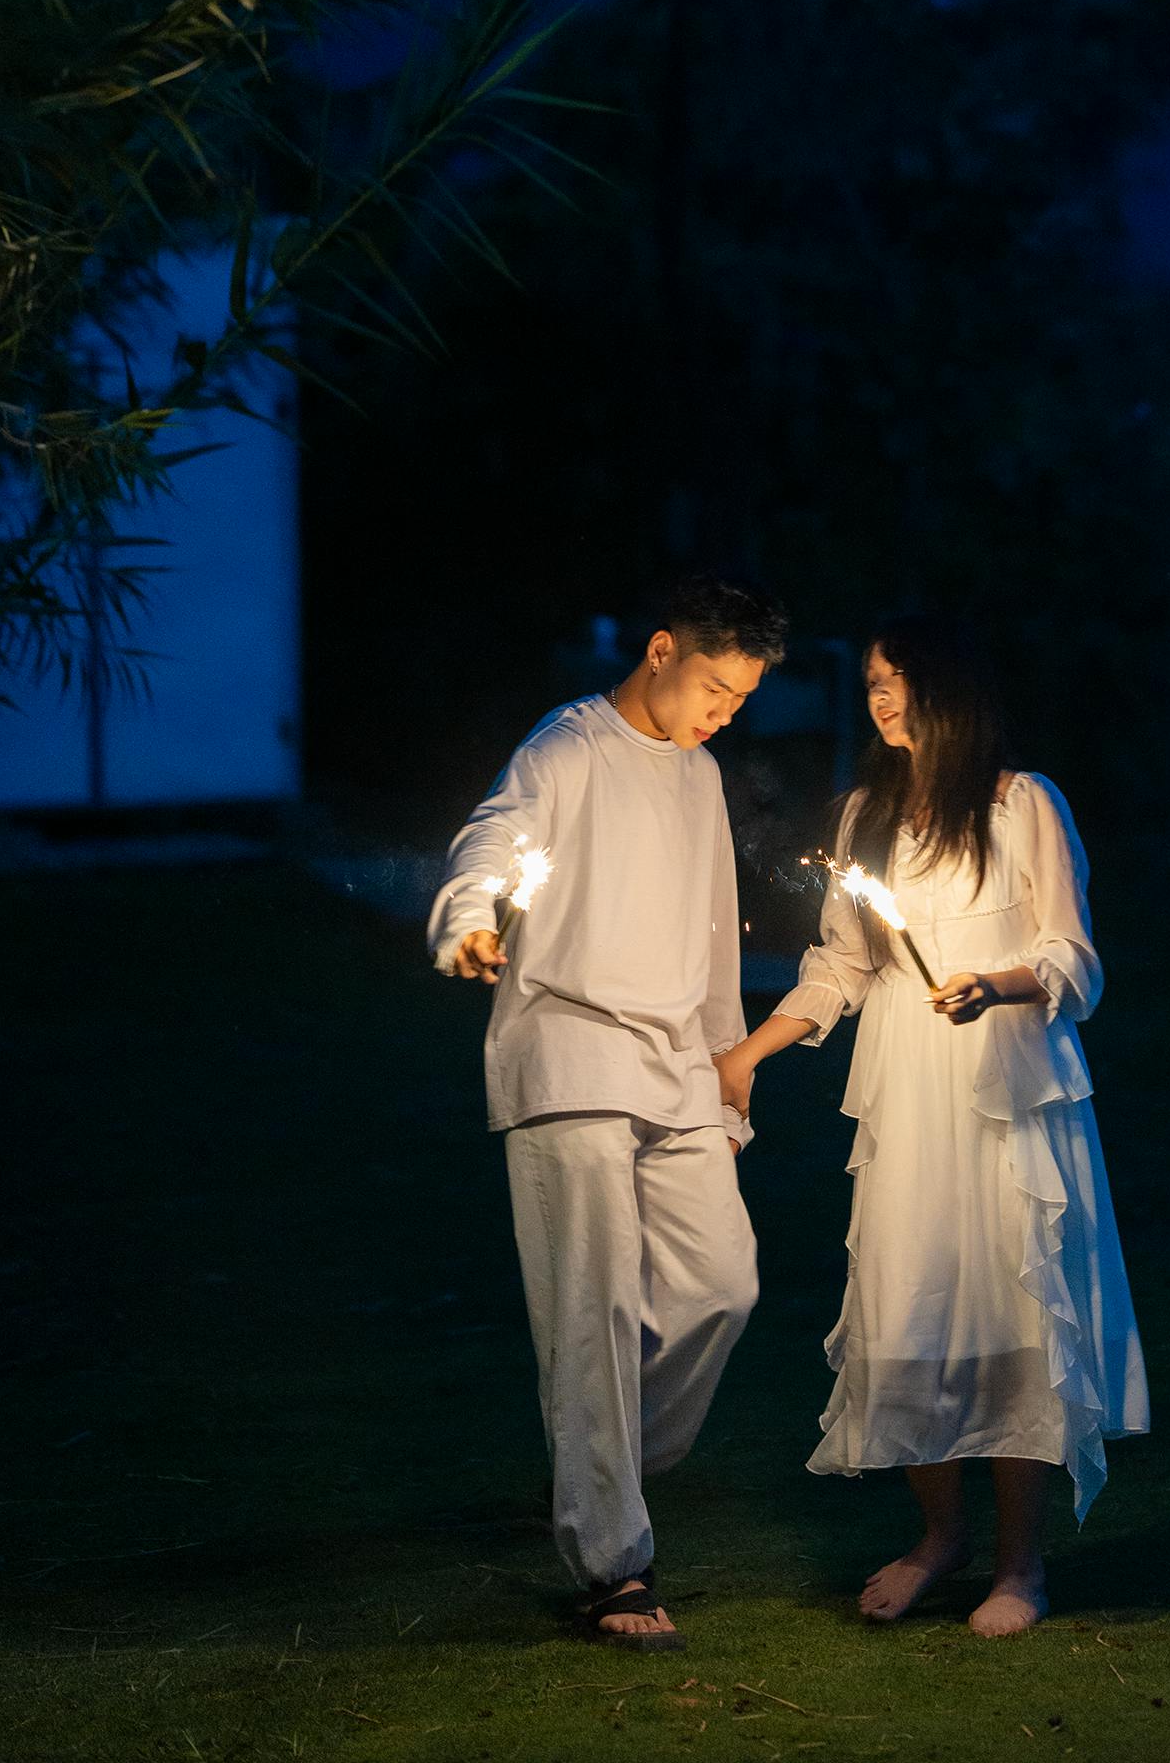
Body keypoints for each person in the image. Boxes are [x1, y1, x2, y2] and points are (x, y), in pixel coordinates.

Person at [715, 615, 1148, 1637]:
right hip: (908, 1090)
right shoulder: (865, 812)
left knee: (1010, 1314)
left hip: (1006, 1088)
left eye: (897, 680)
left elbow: (1072, 959)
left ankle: (1019, 1567)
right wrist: (746, 1054)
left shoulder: (1021, 804)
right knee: (907, 1309)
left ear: (949, 692)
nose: (879, 697)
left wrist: (998, 985)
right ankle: (934, 1536)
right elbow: (841, 964)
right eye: (869, 681)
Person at [427, 570, 787, 1651]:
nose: (725, 712)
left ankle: (613, 1462)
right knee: (586, 1313)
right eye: (716, 687)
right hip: (568, 1050)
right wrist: (467, 923)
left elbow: (714, 924)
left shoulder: (700, 773)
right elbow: (489, 841)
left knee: (722, 1283)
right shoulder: (566, 749)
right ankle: (612, 1565)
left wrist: (729, 1059)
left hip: (676, 1059)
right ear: (664, 649)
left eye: (742, 698)